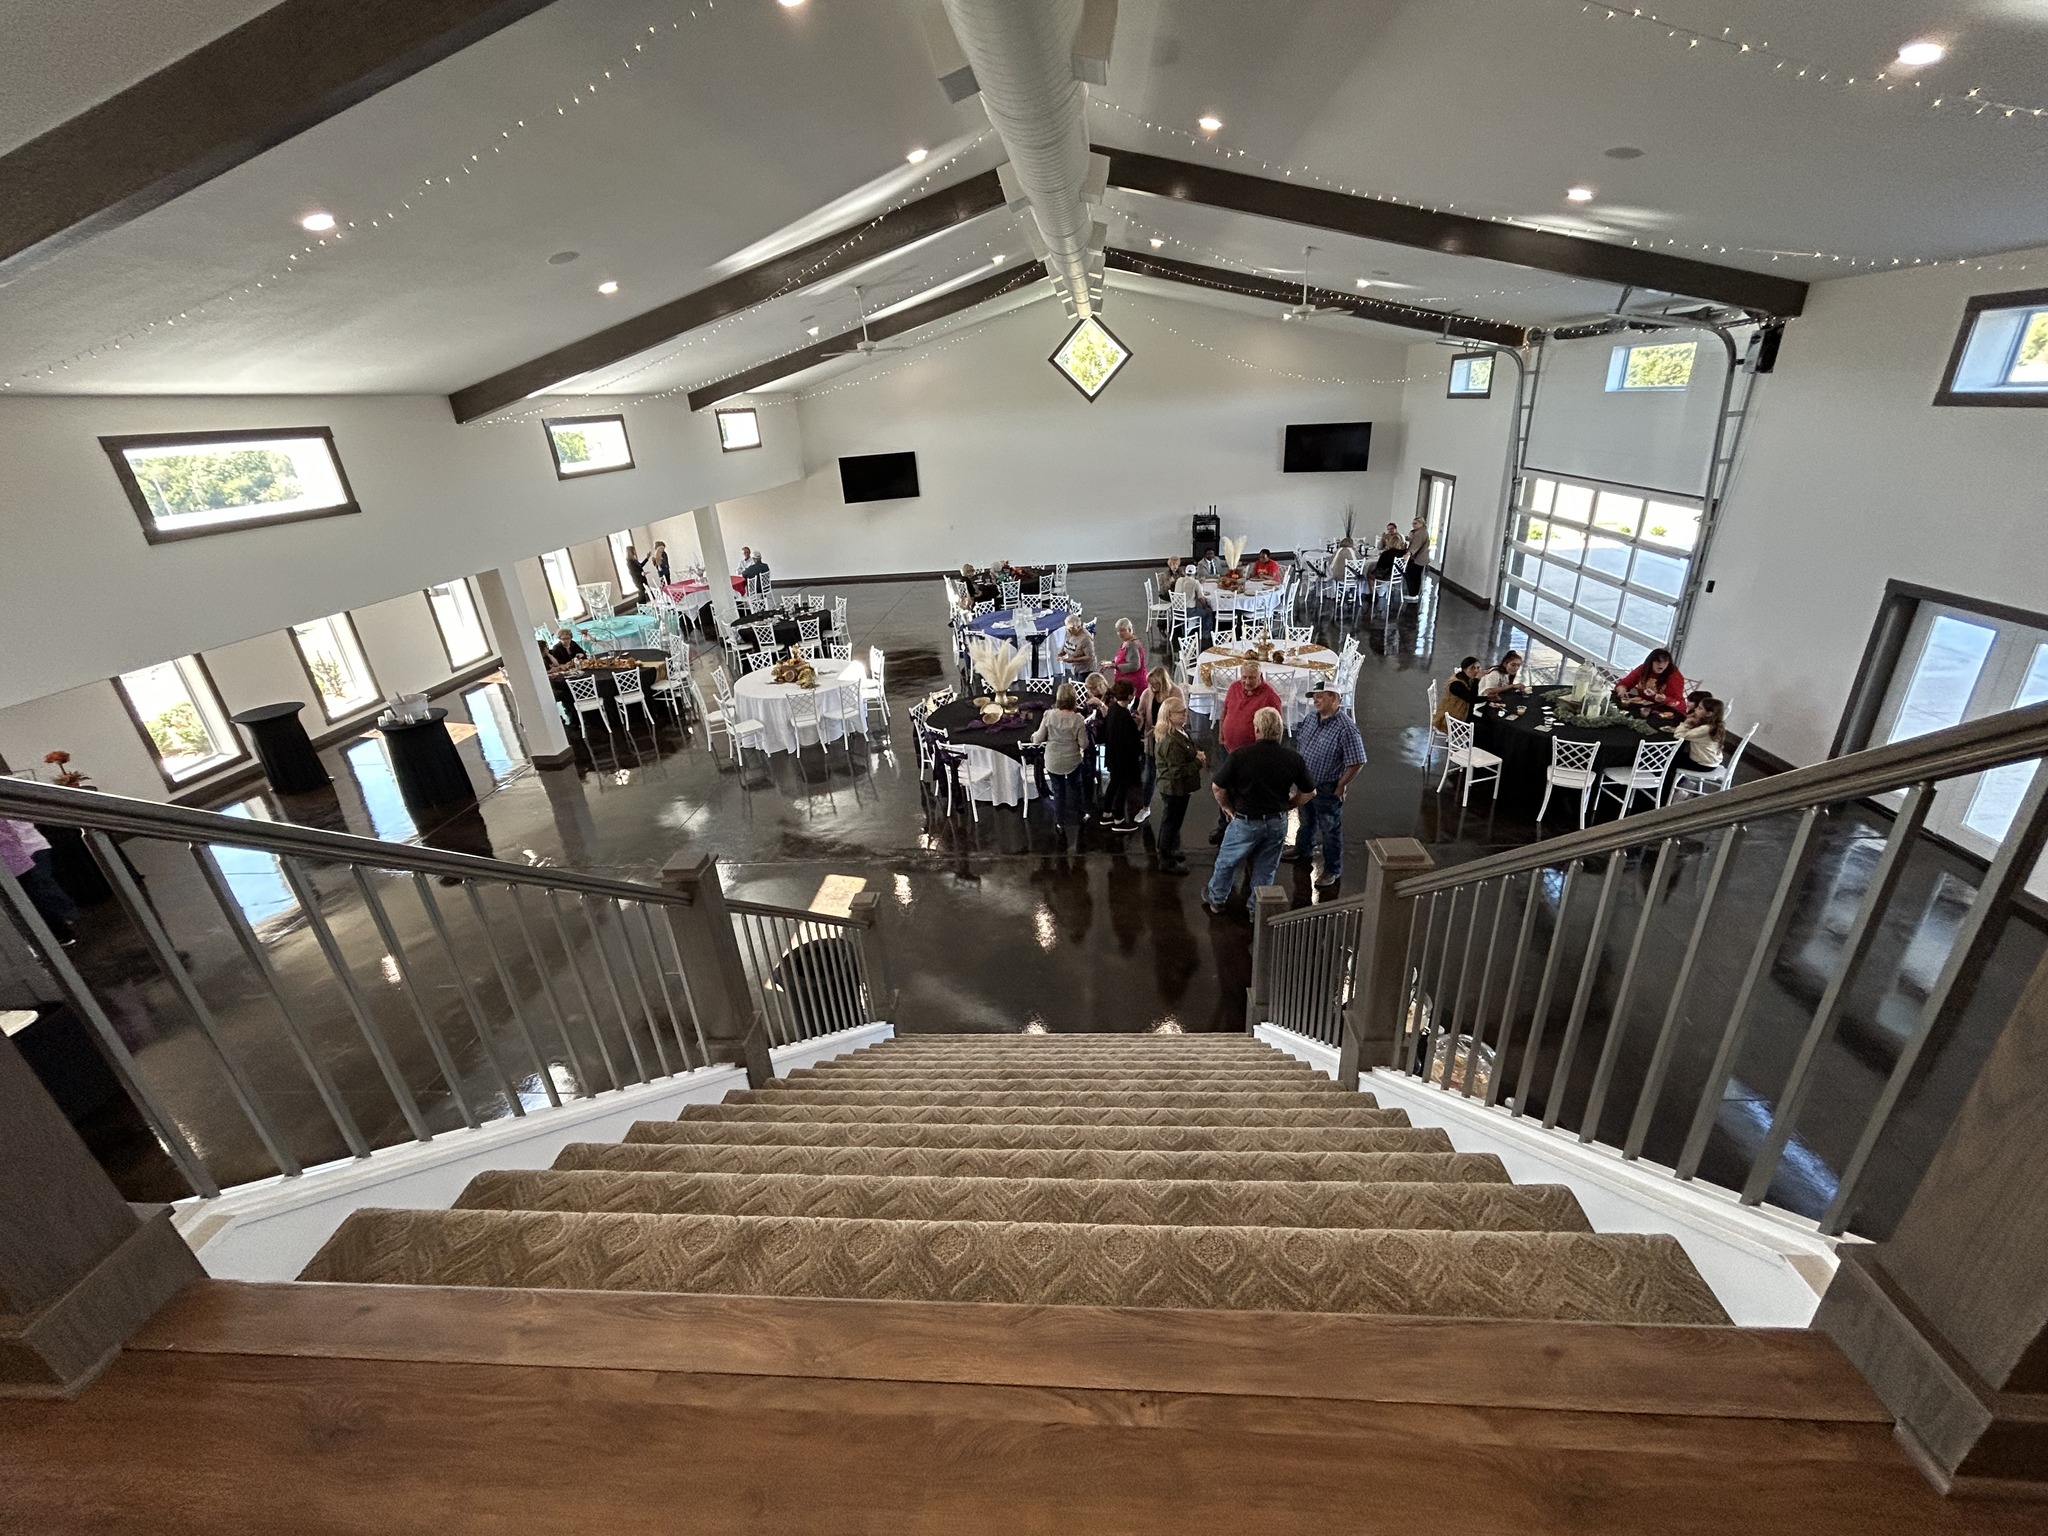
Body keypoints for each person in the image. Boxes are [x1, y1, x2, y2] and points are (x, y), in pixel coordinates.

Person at [1202, 707, 1315, 914]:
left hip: (1246, 821)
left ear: (1256, 730)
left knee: (1227, 861)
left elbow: (1218, 787)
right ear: (1280, 730)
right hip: (1277, 822)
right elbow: (1309, 792)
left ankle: (1217, 899)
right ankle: (1257, 909)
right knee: (1266, 867)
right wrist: (1289, 805)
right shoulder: (1293, 758)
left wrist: (1227, 807)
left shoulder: (1240, 756)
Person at [1284, 684, 1367, 890]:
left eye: (1320, 697)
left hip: (1327, 787)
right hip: (1306, 784)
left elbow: (1357, 761)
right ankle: (1303, 850)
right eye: (1314, 697)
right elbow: (1301, 745)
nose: (1315, 701)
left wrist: (1341, 785)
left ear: (1334, 698)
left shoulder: (1346, 728)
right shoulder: (1311, 718)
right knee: (1306, 820)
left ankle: (1332, 869)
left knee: (1330, 829)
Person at [1210, 658, 1283, 842]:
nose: (1247, 681)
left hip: (1252, 756)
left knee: (1244, 792)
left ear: (1260, 677)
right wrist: (1221, 734)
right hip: (1228, 749)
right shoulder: (1234, 687)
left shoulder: (1270, 696)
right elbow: (1225, 711)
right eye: (1244, 677)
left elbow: (1276, 727)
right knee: (1225, 787)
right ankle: (1224, 825)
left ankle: (1241, 830)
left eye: (1252, 678)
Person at [1031, 683, 1091, 850]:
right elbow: (1084, 744)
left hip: (1053, 760)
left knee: (1058, 791)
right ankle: (1081, 814)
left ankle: (1060, 823)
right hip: (1072, 761)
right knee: (1076, 787)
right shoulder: (1078, 719)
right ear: (1074, 699)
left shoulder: (1048, 715)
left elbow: (1038, 739)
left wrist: (1033, 736)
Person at [0, 818, 77, 945]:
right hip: (19, 859)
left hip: (17, 860)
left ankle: (61, 929)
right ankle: (61, 929)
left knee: (37, 895)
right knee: (37, 894)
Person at [1152, 695, 1204, 873]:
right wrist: (1198, 761)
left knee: (1173, 822)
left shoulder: (1178, 732)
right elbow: (1177, 772)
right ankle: (1166, 860)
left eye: (1185, 711)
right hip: (1174, 788)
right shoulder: (1171, 741)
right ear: (1169, 715)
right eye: (1180, 712)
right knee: (1171, 823)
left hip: (1177, 787)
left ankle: (1170, 850)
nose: (1185, 714)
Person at [1102, 681, 1146, 831]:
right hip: (1124, 759)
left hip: (1112, 756)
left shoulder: (1113, 709)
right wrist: (1139, 725)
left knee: (1113, 784)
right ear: (1129, 696)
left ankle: (1106, 814)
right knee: (1122, 788)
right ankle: (1119, 820)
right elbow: (1132, 740)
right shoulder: (1124, 716)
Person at [1615, 648, 1688, 713]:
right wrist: (1622, 690)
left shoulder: (1674, 676)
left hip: (1665, 710)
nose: (1661, 665)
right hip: (1644, 706)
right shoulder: (1643, 669)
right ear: (1651, 662)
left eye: (1665, 662)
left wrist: (1664, 699)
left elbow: (1677, 702)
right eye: (1658, 661)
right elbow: (1625, 683)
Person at [1675, 695, 1728, 770]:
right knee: (1677, 754)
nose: (1695, 709)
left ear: (1709, 714)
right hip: (1709, 760)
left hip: (1702, 764)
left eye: (1700, 708)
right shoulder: (1714, 724)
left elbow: (1678, 735)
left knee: (1670, 759)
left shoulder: (1706, 729)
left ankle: (1670, 776)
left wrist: (1686, 722)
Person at [1433, 656, 1483, 731]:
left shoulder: (1468, 679)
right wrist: (1477, 680)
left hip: (1463, 714)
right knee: (1485, 729)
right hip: (1452, 720)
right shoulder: (1456, 684)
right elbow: (1471, 699)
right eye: (1472, 668)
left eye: (1478, 668)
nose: (1476, 671)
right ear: (1465, 669)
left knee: (1487, 721)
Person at [1109, 618, 1147, 694]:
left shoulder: (1132, 645)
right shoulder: (1126, 642)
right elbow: (1123, 659)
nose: (1120, 633)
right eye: (1118, 631)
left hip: (1132, 685)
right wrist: (1111, 664)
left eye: (1123, 630)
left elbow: (1134, 665)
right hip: (1125, 684)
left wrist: (1116, 666)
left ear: (1129, 629)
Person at [1404, 513, 1431, 596]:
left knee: (1412, 575)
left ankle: (1413, 593)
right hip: (1420, 558)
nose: (1413, 525)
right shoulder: (1421, 531)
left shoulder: (1420, 533)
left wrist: (1408, 553)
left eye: (1415, 523)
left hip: (1418, 558)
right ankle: (1415, 593)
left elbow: (1416, 545)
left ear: (1421, 523)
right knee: (1416, 576)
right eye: (1413, 523)